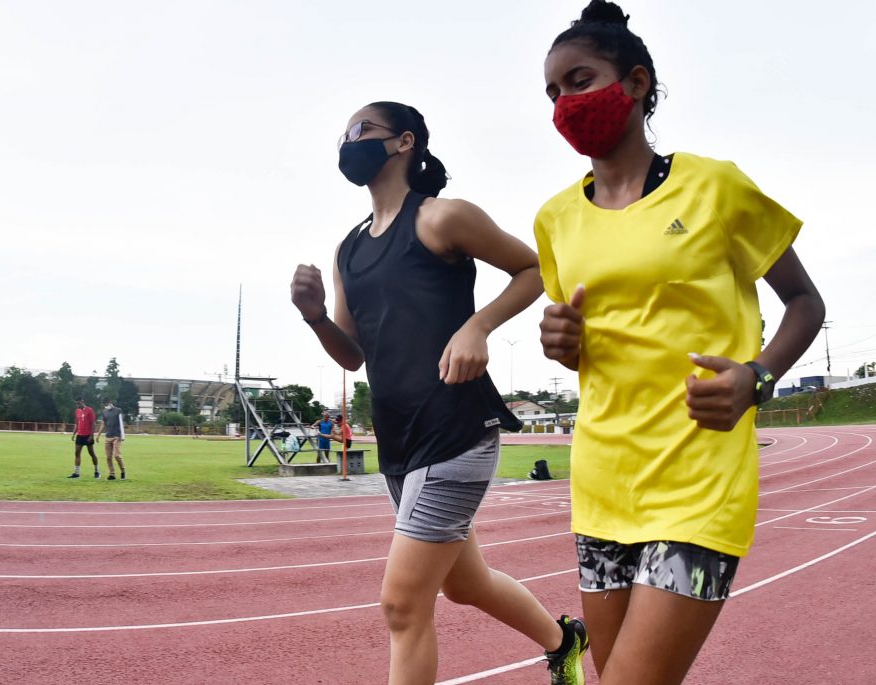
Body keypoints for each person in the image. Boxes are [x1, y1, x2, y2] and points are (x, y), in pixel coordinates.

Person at [534, 3, 826, 683]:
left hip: (698, 482)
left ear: (636, 83)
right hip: (603, 479)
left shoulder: (715, 186)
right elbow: (585, 344)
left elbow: (806, 303)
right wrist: (558, 341)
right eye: (551, 92)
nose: (565, 103)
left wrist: (758, 376)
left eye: (579, 80)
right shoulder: (554, 219)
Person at [291, 101, 586, 685]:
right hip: (399, 443)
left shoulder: (441, 218)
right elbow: (353, 353)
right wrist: (315, 316)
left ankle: (564, 643)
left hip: (456, 431)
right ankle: (565, 641)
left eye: (361, 131)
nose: (349, 142)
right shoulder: (348, 249)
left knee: (402, 605)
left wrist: (477, 326)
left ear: (404, 142)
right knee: (464, 583)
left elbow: (533, 270)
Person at [94, 397, 126, 481]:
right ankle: (112, 474)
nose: (105, 406)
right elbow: (103, 423)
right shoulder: (104, 412)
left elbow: (121, 423)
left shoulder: (118, 410)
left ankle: (123, 471)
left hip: (117, 436)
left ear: (110, 402)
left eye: (106, 404)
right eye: (104, 404)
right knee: (108, 457)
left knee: (117, 456)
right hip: (108, 437)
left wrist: (122, 436)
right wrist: (98, 435)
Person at [68, 397, 100, 479]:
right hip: (80, 435)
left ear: (82, 401)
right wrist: (74, 433)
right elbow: (77, 423)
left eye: (78, 403)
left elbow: (93, 424)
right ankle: (76, 473)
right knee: (77, 453)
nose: (77, 405)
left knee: (91, 453)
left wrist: (91, 436)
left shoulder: (90, 410)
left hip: (88, 435)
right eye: (76, 404)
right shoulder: (77, 411)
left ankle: (97, 471)